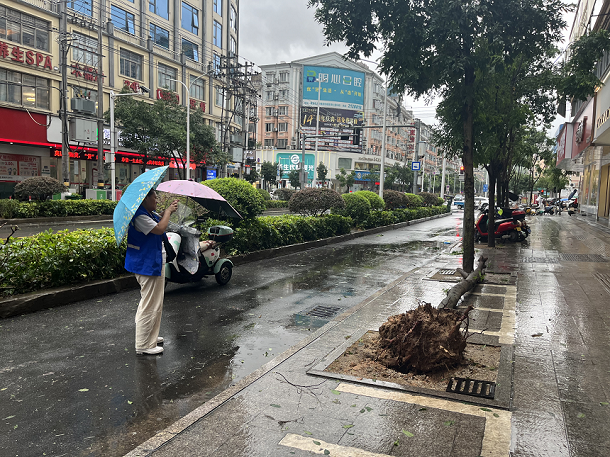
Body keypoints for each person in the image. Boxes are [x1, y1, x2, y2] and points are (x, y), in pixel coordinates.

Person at [125, 189, 178, 355]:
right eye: (154, 198)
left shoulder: (147, 214)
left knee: (155, 302)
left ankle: (150, 337)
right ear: (144, 199)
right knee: (149, 304)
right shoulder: (140, 216)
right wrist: (168, 212)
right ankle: (144, 344)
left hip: (152, 262)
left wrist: (166, 212)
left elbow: (158, 222)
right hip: (146, 264)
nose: (156, 200)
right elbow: (160, 229)